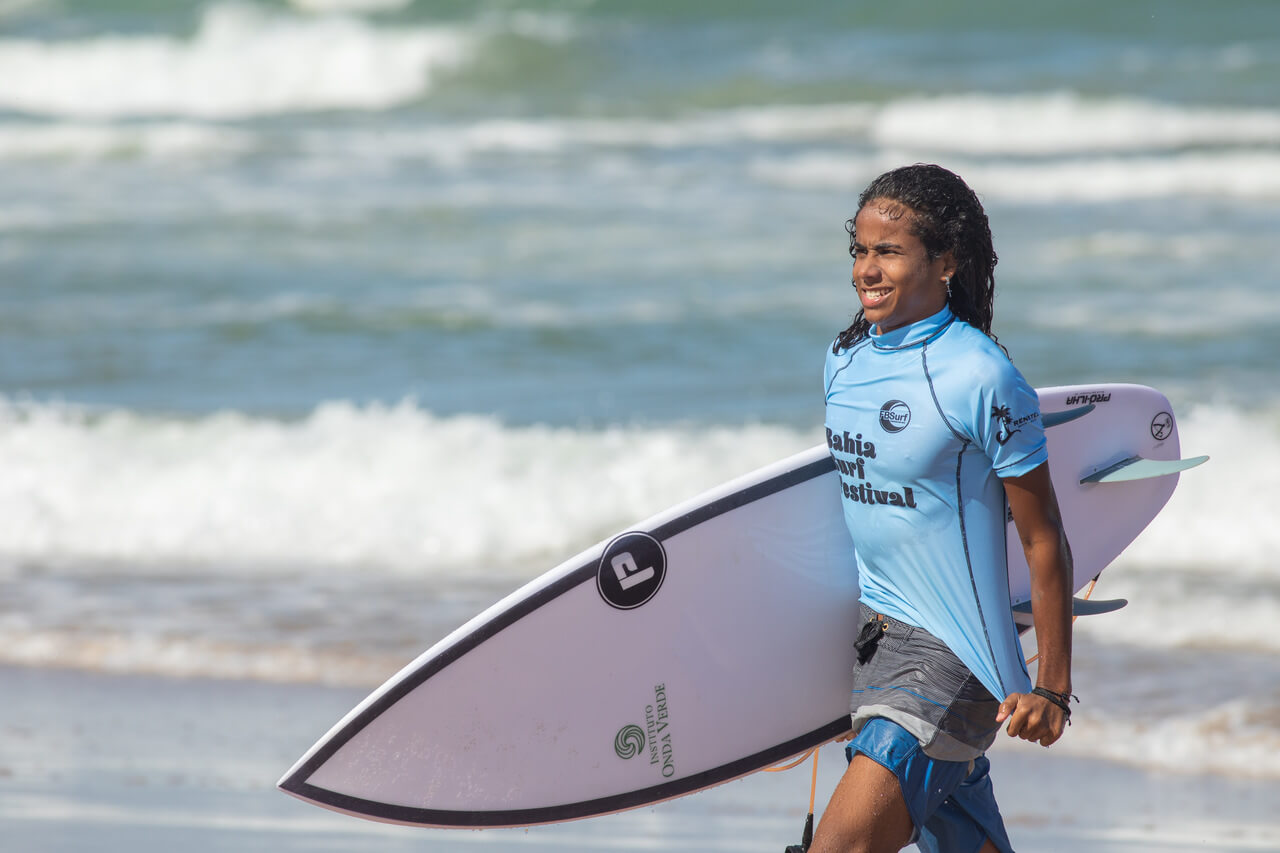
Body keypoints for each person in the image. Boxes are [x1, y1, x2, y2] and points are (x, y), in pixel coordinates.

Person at [811, 164, 1074, 853]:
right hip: (875, 639)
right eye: (860, 251)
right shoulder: (843, 358)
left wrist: (1052, 685)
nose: (867, 269)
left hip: (952, 657)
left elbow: (1042, 536)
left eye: (889, 251)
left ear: (946, 262)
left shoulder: (981, 375)